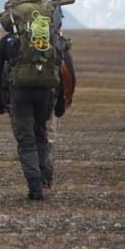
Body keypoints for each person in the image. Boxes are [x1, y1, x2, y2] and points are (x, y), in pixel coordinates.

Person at [0, 0, 70, 200]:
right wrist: (60, 101)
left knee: (26, 139)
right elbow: (59, 71)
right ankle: (42, 179)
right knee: (40, 134)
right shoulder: (50, 40)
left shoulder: (8, 42)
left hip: (19, 94)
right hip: (46, 93)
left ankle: (35, 187)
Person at [43, 46, 75, 189]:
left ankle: (34, 179)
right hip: (54, 97)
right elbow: (70, 77)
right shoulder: (59, 46)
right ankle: (46, 178)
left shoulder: (24, 42)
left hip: (28, 98)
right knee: (49, 136)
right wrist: (64, 102)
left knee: (33, 135)